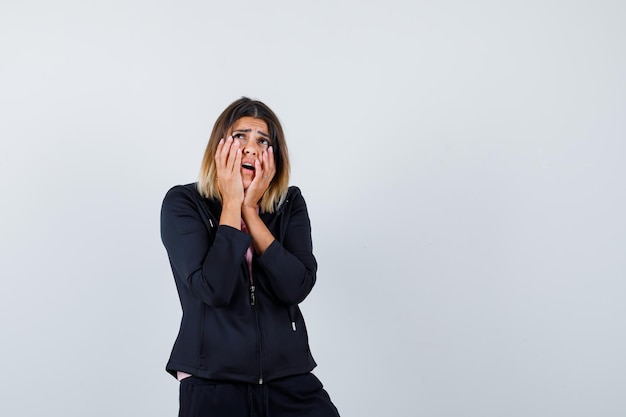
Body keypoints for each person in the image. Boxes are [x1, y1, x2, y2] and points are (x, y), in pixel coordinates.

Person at [160, 97, 341, 417]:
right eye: (240, 136)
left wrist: (251, 214)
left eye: (263, 140)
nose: (250, 147)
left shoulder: (289, 204)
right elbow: (212, 289)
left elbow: (295, 286)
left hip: (289, 379)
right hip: (212, 382)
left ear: (275, 155)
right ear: (219, 145)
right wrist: (231, 205)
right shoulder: (184, 203)